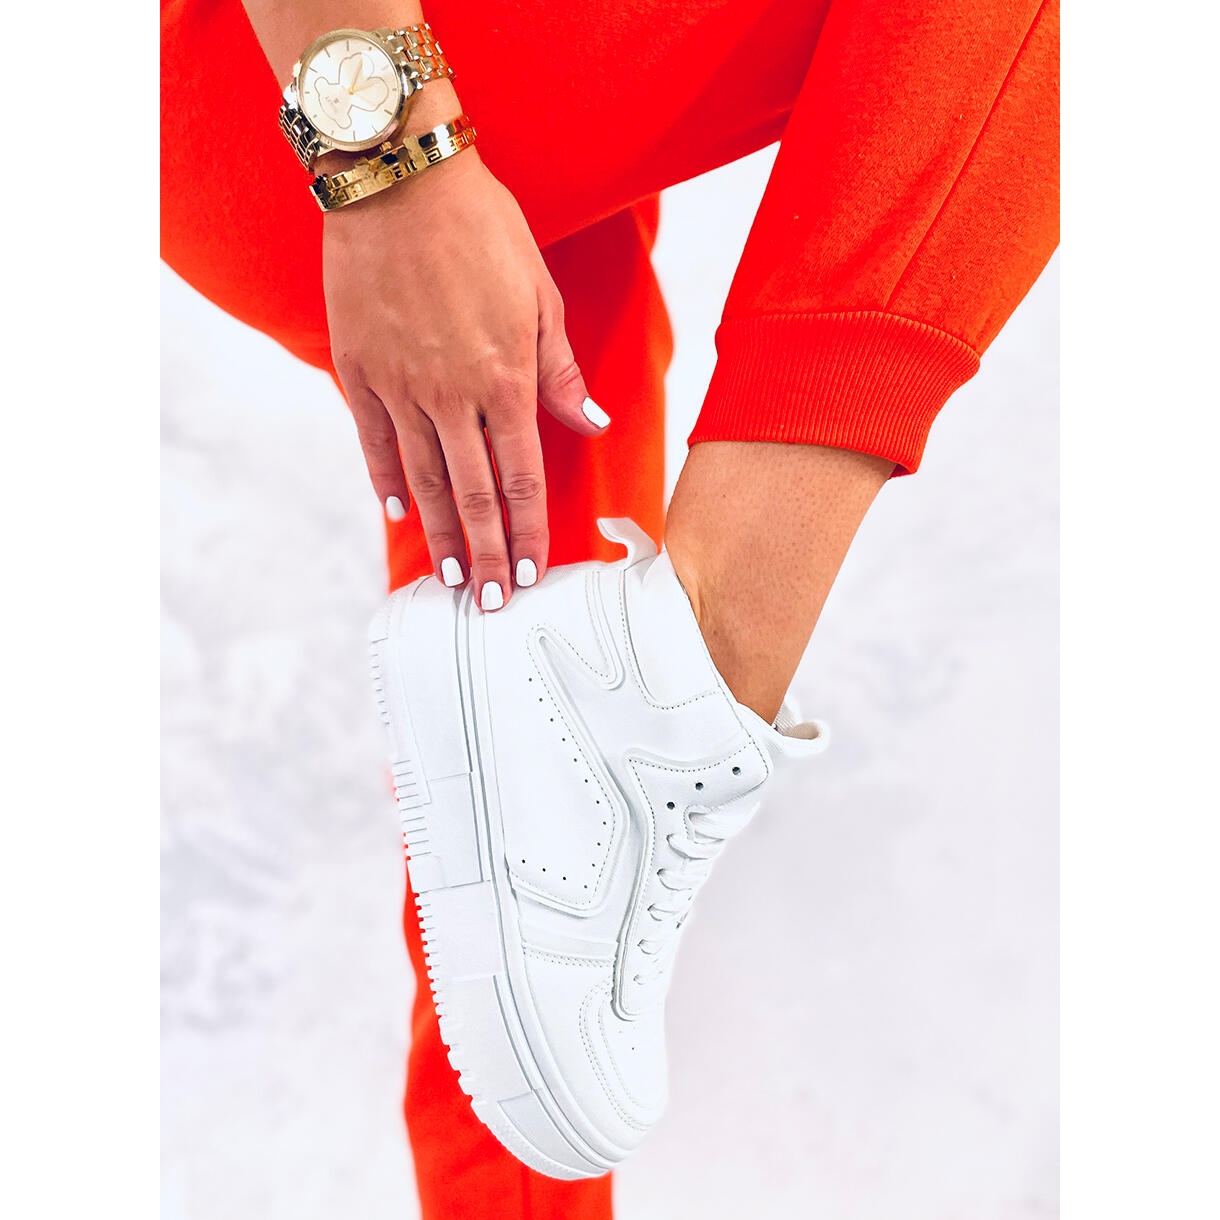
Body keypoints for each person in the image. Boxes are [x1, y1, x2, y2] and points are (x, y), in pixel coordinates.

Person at [161, 0, 1058, 1213]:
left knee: (531, 904)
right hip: (294, 74)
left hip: (379, 110)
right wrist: (391, 162)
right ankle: (689, 667)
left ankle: (640, 698)